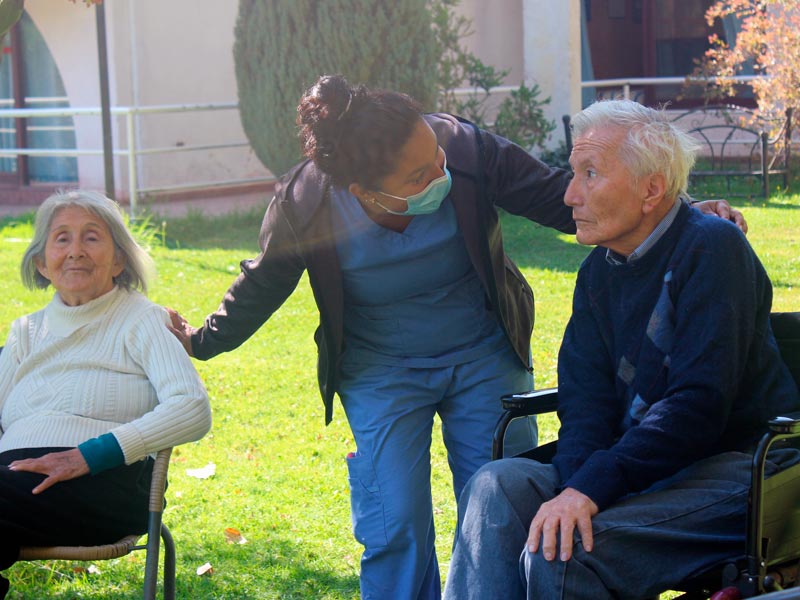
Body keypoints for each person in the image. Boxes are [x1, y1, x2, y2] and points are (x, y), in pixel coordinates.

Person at [167, 75, 744, 600]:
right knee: (393, 520)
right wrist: (201, 340)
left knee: (497, 501)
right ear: (366, 189)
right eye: (419, 177)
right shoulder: (308, 200)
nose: (440, 175)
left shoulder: (465, 152)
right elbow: (264, 281)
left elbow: (571, 196)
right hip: (380, 366)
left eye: (438, 160)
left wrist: (684, 211)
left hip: (482, 352)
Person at [443, 99, 800, 600]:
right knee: (495, 486)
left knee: (564, 552)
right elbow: (585, 403)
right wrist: (577, 486)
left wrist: (590, 489)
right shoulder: (596, 275)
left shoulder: (712, 249)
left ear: (651, 189)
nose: (569, 195)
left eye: (590, 174)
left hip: (740, 469)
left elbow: (697, 407)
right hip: (639, 460)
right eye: (573, 173)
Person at [0, 191, 212, 599]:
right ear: (42, 263)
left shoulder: (143, 320)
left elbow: (192, 407)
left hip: (104, 480)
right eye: (62, 238)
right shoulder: (24, 331)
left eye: (92, 237)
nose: (76, 250)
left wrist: (88, 456)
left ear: (119, 260)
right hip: (17, 480)